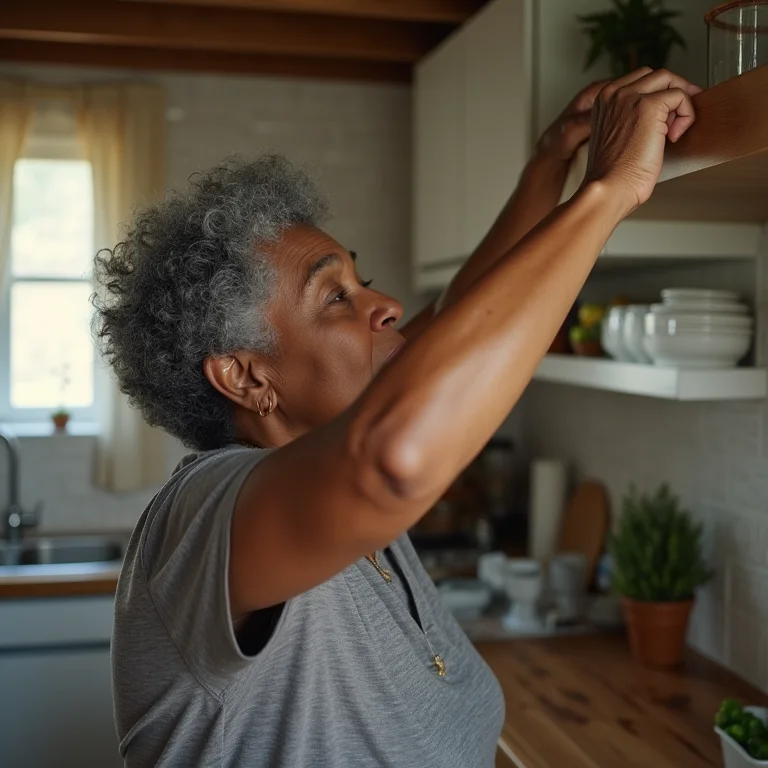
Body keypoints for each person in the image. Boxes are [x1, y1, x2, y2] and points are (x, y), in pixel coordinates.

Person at [95, 67, 701, 767]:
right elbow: (392, 460)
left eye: (361, 278)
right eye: (334, 298)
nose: (382, 303)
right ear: (246, 375)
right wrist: (611, 191)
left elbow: (462, 321)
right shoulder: (201, 515)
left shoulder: (346, 495)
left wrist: (551, 162)